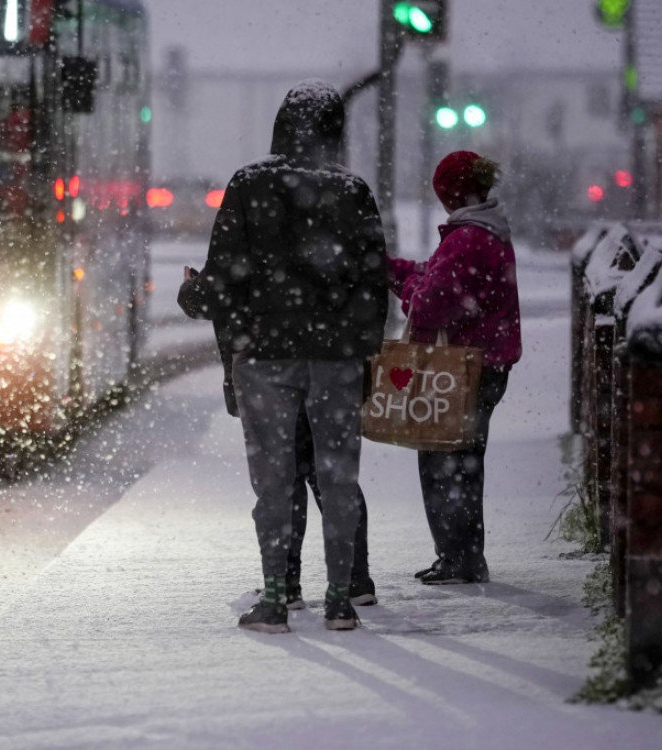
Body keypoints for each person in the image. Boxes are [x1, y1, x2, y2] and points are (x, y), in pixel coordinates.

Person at [182, 80, 388, 632]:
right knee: (338, 477)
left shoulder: (250, 184)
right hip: (337, 358)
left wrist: (192, 293)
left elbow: (224, 283)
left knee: (274, 481)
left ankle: (276, 597)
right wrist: (362, 352)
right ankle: (341, 600)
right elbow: (374, 286)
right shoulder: (354, 191)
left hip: (265, 358)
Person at [178, 270, 378, 610]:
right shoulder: (333, 229)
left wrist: (193, 286)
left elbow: (203, 301)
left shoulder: (251, 231)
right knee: (332, 475)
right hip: (331, 364)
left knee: (283, 479)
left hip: (271, 372)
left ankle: (286, 584)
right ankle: (354, 581)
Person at [388, 150, 522, 585]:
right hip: (487, 364)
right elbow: (436, 276)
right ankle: (464, 556)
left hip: (466, 369)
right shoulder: (487, 231)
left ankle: (458, 558)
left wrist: (406, 285)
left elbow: (429, 304)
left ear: (449, 194)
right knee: (464, 463)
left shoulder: (468, 237)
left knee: (445, 462)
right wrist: (395, 270)